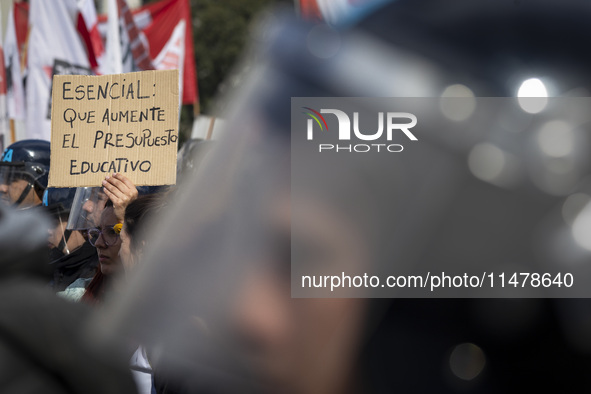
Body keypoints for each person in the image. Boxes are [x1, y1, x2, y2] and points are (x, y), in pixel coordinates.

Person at [44, 187, 99, 292]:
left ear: (81, 225)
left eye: (54, 224)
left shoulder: (96, 272)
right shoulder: (55, 269)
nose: (47, 231)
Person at [0, 139, 50, 209]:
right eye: (2, 178)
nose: (2, 188)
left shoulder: (58, 220)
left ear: (40, 187)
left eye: (12, 179)